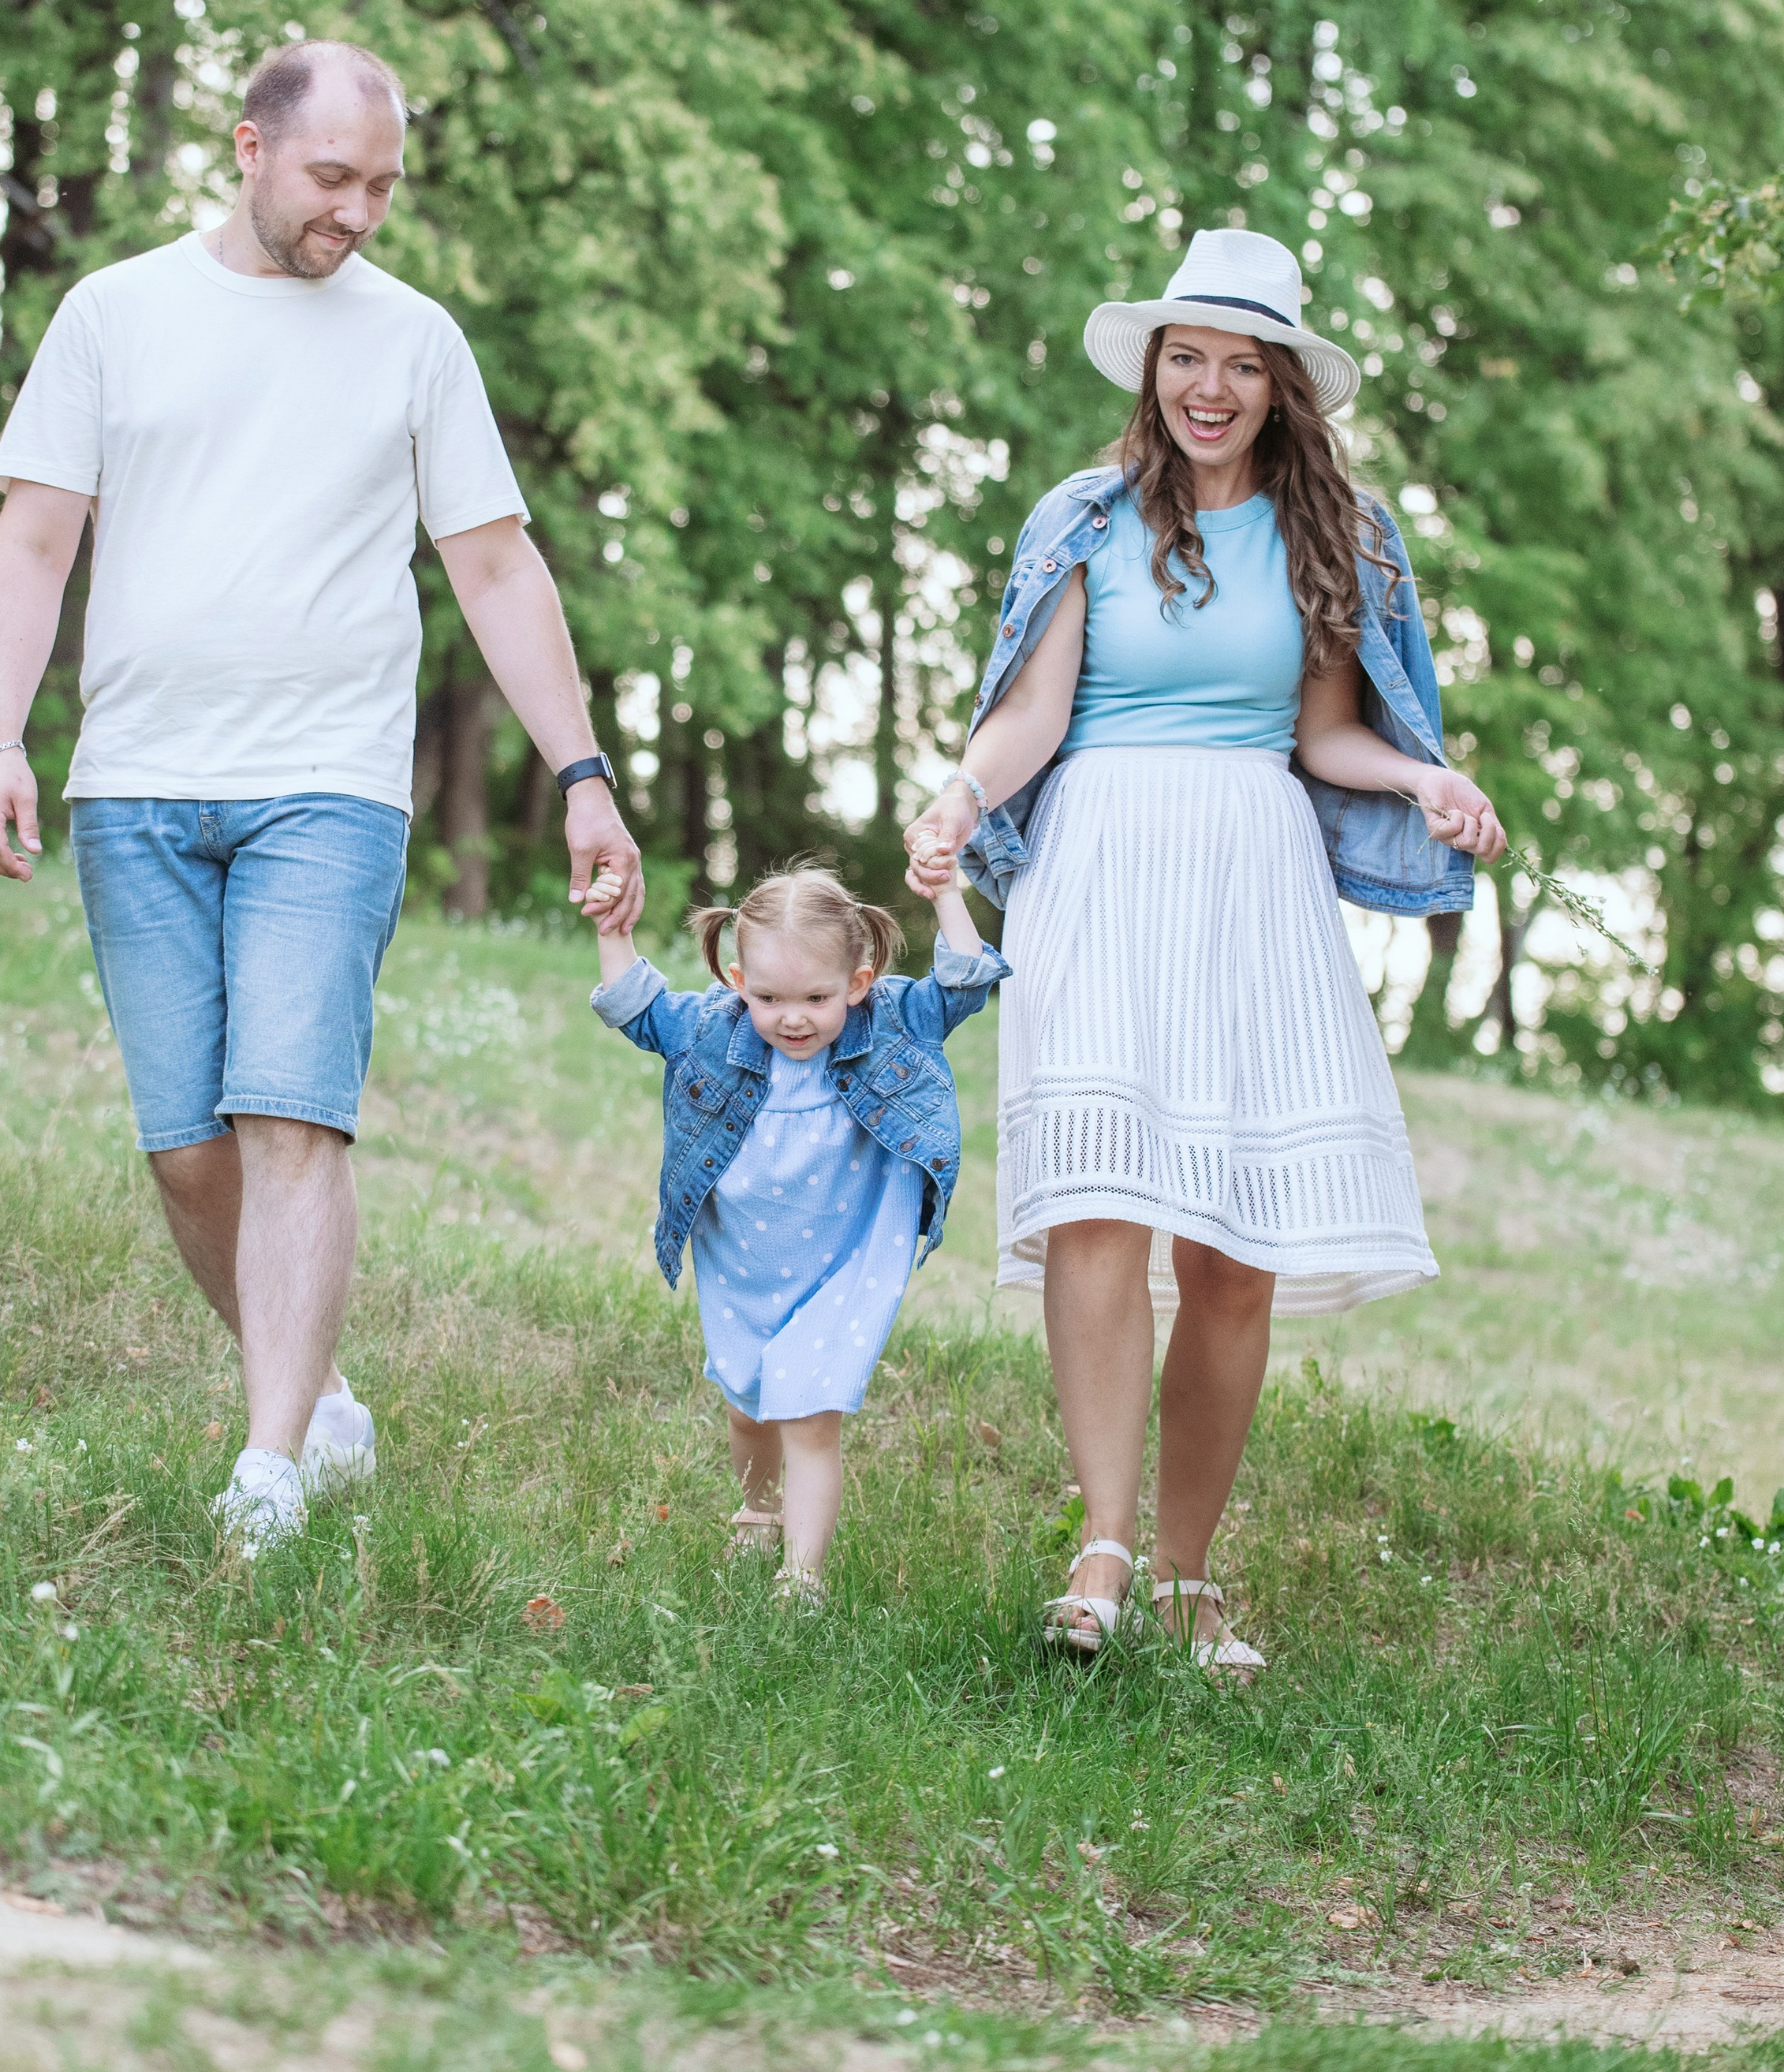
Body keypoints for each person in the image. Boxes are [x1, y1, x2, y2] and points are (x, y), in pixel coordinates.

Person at [0, 37, 641, 1556]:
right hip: (136, 779)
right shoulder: (115, 314)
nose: (359, 212)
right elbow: (31, 541)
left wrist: (582, 775)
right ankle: (319, 1394)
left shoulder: (415, 341)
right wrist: (2, 737)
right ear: (248, 148)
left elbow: (492, 563)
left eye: (383, 185)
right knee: (183, 1146)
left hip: (328, 786)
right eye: (335, 178)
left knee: (290, 1117)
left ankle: (266, 1470)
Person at [903, 227, 1504, 1667]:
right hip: (1104, 864)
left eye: (1242, 363)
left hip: (1254, 876)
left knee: (1234, 1248)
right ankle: (1101, 1550)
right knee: (1103, 1205)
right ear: (1155, 368)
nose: (1211, 388)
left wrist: (1420, 778)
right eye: (1189, 358)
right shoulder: (1090, 517)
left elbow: (1323, 733)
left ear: (1284, 382)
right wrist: (960, 789)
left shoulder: (1339, 537)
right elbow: (1036, 712)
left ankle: (1187, 1569)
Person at [584, 862, 1006, 1593]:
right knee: (748, 1405)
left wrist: (944, 893)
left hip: (846, 1258)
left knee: (809, 1413)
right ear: (740, 980)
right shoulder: (713, 1029)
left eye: (816, 996)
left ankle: (801, 1578)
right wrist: (613, 931)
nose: (793, 1018)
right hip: (743, 1256)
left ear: (858, 981)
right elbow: (637, 1010)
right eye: (769, 997)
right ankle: (757, 1509)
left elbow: (967, 982)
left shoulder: (892, 1022)